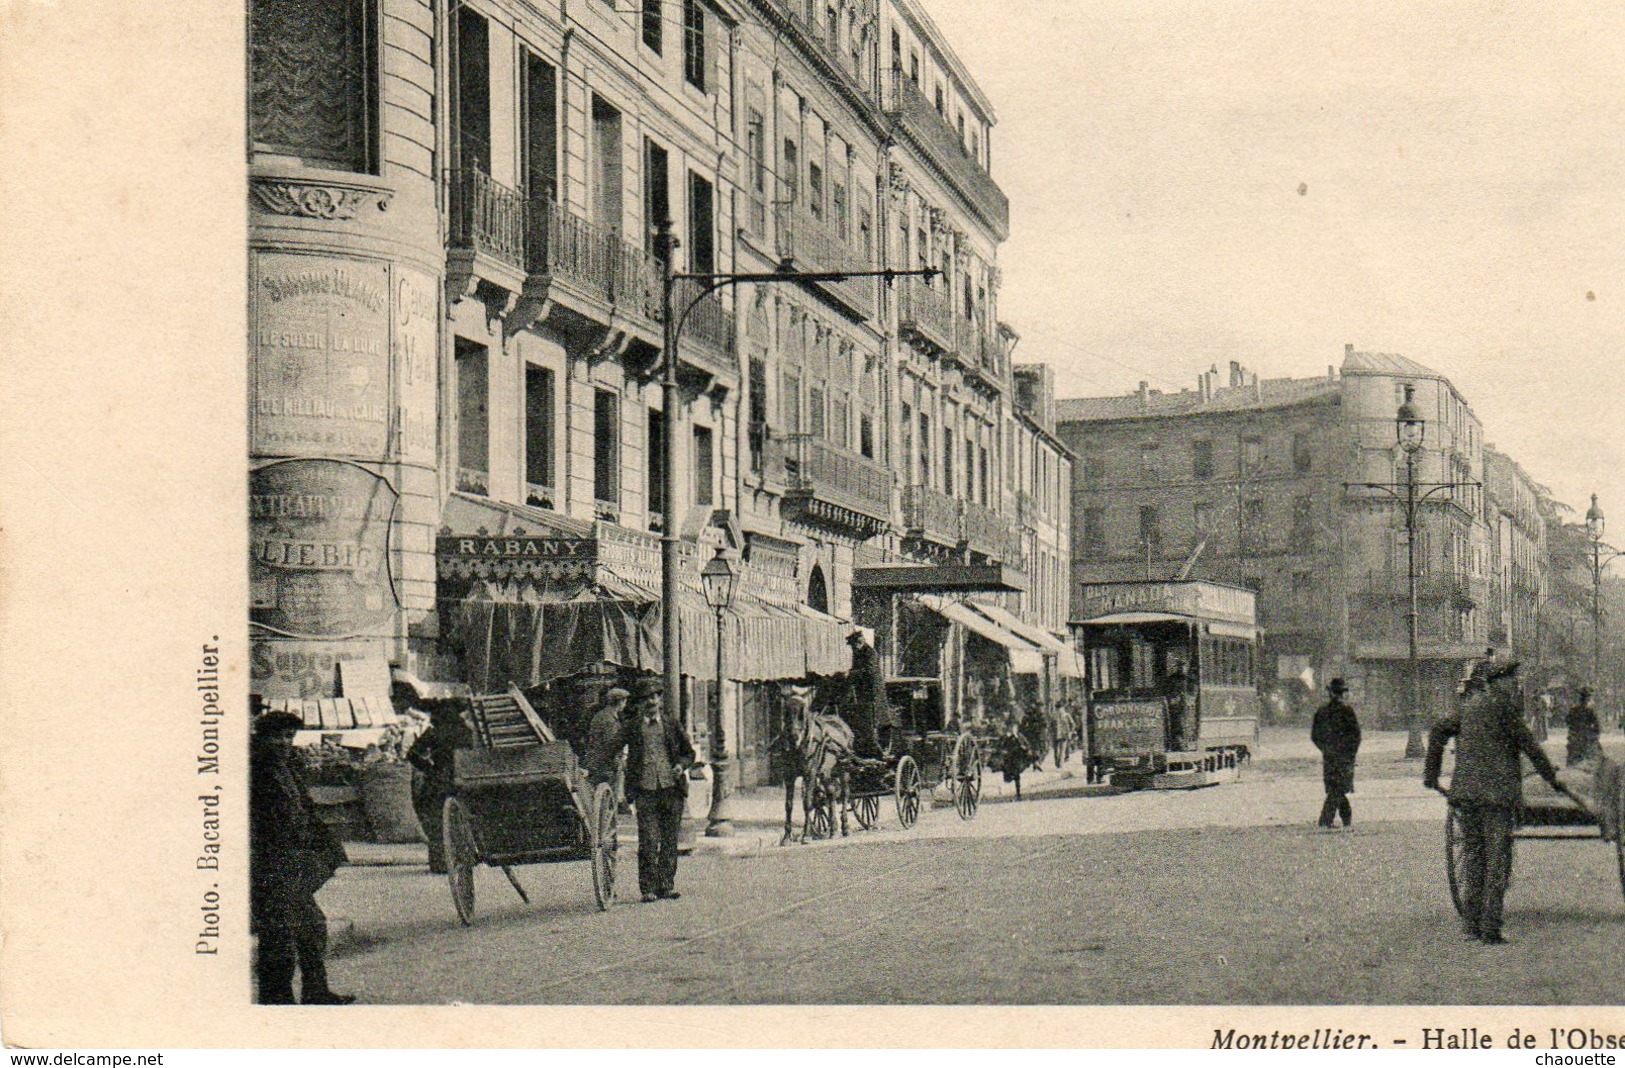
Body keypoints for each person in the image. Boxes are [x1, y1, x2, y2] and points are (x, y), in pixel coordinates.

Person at [1424, 660, 1565, 944]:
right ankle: (1490, 928)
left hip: (1465, 794)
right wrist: (1552, 779)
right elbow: (1530, 746)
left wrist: (1431, 774)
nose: (1515, 685)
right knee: (1497, 860)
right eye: (1511, 680)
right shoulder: (1505, 710)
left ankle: (1472, 925)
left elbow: (1439, 729)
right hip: (1497, 797)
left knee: (1475, 858)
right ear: (1498, 682)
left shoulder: (1469, 707)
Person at [250, 711, 355, 1005]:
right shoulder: (254, 771)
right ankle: (277, 1000)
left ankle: (314, 991)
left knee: (310, 927)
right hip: (268, 862)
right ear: (263, 738)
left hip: (290, 861)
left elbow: (305, 809)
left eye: (289, 737)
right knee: (280, 935)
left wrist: (325, 845)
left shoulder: (289, 767)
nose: (284, 742)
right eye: (278, 736)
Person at [622, 678, 696, 903]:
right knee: (648, 840)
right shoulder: (633, 727)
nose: (651, 702)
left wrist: (681, 765)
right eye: (646, 698)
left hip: (671, 790)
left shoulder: (671, 724)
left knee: (670, 840)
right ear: (640, 703)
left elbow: (689, 753)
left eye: (655, 697)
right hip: (645, 790)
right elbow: (614, 747)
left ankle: (666, 885)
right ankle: (648, 888)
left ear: (660, 700)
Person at [404, 694, 471, 875]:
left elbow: (411, 754)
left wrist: (429, 769)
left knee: (436, 822)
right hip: (464, 781)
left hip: (439, 782)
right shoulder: (466, 731)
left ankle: (440, 863)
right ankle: (463, 859)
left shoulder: (434, 732)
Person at [1311, 678, 1362, 830]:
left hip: (1330, 755)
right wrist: (1350, 752)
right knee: (1339, 788)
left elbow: (1315, 735)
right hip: (1344, 755)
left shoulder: (1322, 711)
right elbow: (1356, 735)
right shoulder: (1347, 710)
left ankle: (1335, 819)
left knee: (1335, 787)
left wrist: (1325, 748)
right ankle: (1331, 820)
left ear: (1330, 692)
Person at [843, 629, 890, 758]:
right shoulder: (858, 653)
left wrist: (851, 673)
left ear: (859, 642)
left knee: (870, 718)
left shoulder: (870, 653)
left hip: (872, 691)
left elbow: (869, 671)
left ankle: (874, 743)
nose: (853, 648)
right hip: (862, 690)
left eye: (854, 645)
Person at [583, 686, 631, 787]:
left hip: (596, 761)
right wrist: (620, 764)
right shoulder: (610, 720)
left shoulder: (602, 714)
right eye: (624, 701)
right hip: (605, 765)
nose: (625, 704)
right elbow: (611, 745)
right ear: (620, 702)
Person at [996, 715, 1037, 800]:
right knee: (1011, 777)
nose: (1012, 729)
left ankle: (1018, 794)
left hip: (1019, 758)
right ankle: (1017, 793)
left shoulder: (1020, 736)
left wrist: (1024, 747)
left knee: (1017, 775)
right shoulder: (1006, 738)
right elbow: (1000, 747)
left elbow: (1027, 745)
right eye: (1011, 727)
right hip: (1010, 759)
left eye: (1014, 727)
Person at [1566, 687, 1602, 766]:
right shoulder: (1590, 711)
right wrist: (1594, 735)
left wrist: (1574, 730)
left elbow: (1568, 722)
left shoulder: (1573, 710)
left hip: (1575, 738)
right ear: (1587, 701)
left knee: (1573, 760)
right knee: (1591, 758)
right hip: (1586, 739)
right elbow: (1597, 727)